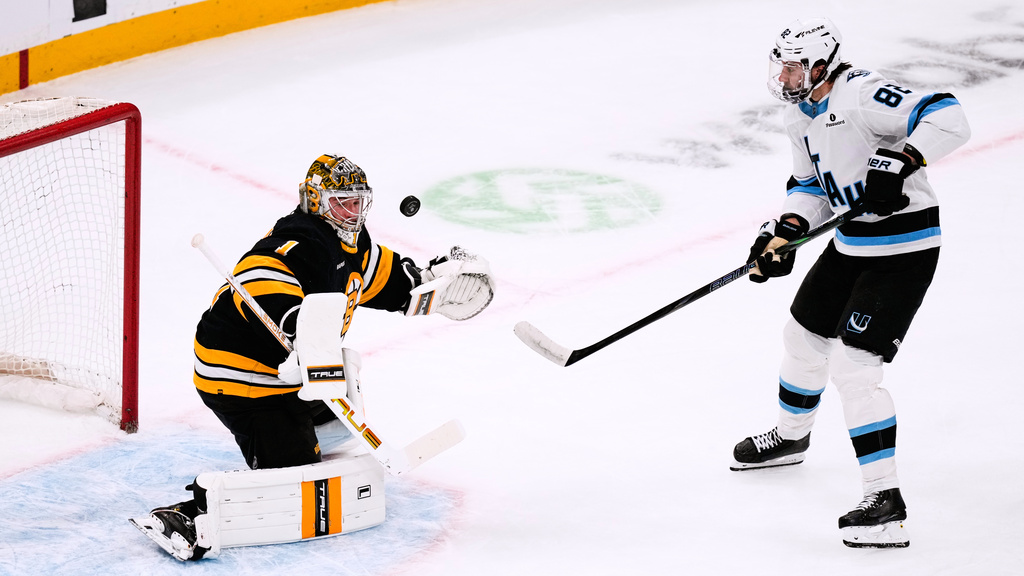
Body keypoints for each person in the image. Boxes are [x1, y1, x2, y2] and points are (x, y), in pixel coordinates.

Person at [133, 154, 494, 560]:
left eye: (359, 201)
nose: (353, 212)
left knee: (341, 416)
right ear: (315, 200)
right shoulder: (299, 244)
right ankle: (194, 512)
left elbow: (397, 285)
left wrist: (435, 283)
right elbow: (258, 278)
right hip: (239, 377)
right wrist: (296, 331)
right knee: (297, 482)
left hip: (288, 375)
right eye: (342, 202)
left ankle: (294, 433)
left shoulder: (355, 245)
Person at [732, 17, 970, 548]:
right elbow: (810, 185)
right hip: (851, 246)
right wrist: (790, 230)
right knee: (803, 336)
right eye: (781, 65)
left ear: (820, 65)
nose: (784, 75)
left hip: (903, 252)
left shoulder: (862, 93)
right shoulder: (800, 115)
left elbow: (947, 114)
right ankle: (791, 439)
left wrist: (903, 158)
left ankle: (884, 502)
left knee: (855, 366)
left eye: (793, 66)